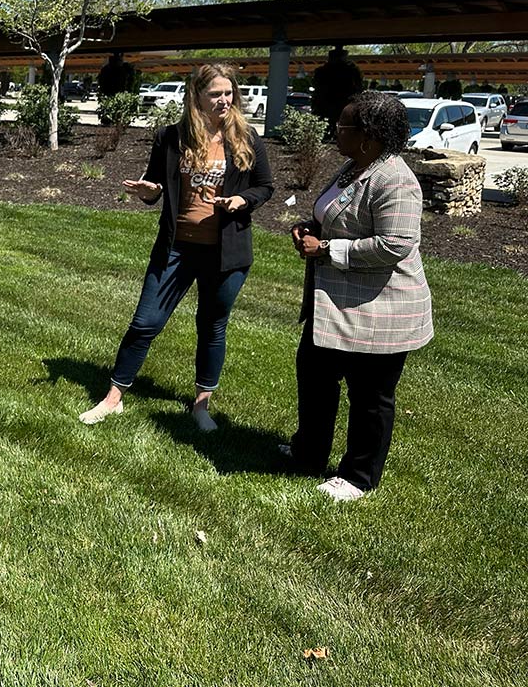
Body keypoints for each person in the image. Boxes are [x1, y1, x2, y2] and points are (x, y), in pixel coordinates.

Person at [79, 63, 274, 431]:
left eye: (229, 92)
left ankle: (201, 406)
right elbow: (155, 186)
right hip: (176, 248)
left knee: (212, 325)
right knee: (145, 322)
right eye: (215, 93)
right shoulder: (171, 138)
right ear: (196, 96)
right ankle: (112, 399)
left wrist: (241, 201)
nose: (224, 100)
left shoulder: (247, 139)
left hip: (225, 252)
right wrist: (149, 191)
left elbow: (265, 186)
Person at [285, 91, 433, 501]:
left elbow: (396, 244)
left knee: (370, 397)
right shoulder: (353, 167)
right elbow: (335, 215)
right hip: (334, 303)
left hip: (380, 309)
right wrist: (308, 227)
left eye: (342, 126)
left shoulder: (396, 179)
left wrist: (328, 250)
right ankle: (308, 452)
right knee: (314, 378)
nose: (336, 130)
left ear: (368, 136)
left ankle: (358, 476)